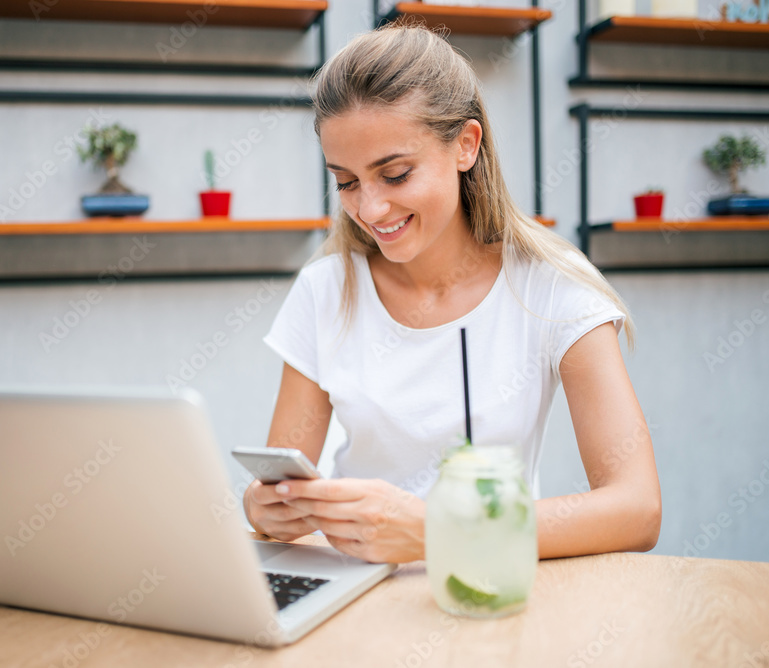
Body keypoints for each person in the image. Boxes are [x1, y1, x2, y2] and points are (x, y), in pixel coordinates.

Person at [243, 24, 661, 564]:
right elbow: (285, 484)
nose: (369, 209)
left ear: (466, 145)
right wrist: (264, 508)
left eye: (394, 174)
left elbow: (637, 509)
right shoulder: (326, 290)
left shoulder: (549, 286)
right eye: (347, 182)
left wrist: (442, 532)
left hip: (489, 586)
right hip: (356, 595)